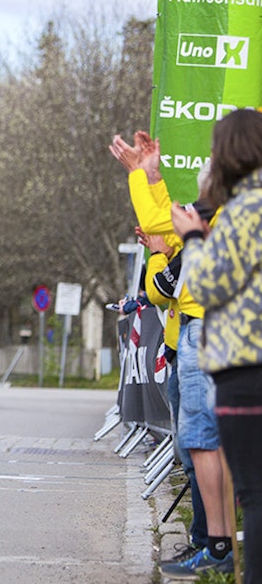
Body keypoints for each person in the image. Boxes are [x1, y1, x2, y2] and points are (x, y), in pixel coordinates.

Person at [111, 131, 232, 578]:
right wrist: (152, 175)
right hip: (187, 337)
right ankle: (208, 541)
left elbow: (160, 224)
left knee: (201, 441)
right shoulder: (219, 207)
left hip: (205, 330)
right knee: (193, 444)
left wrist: (143, 177)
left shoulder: (229, 205)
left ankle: (216, 544)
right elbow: (165, 228)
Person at [174, 108, 262, 583]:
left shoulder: (247, 208)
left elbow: (207, 284)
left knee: (253, 494)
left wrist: (192, 238)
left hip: (246, 366)